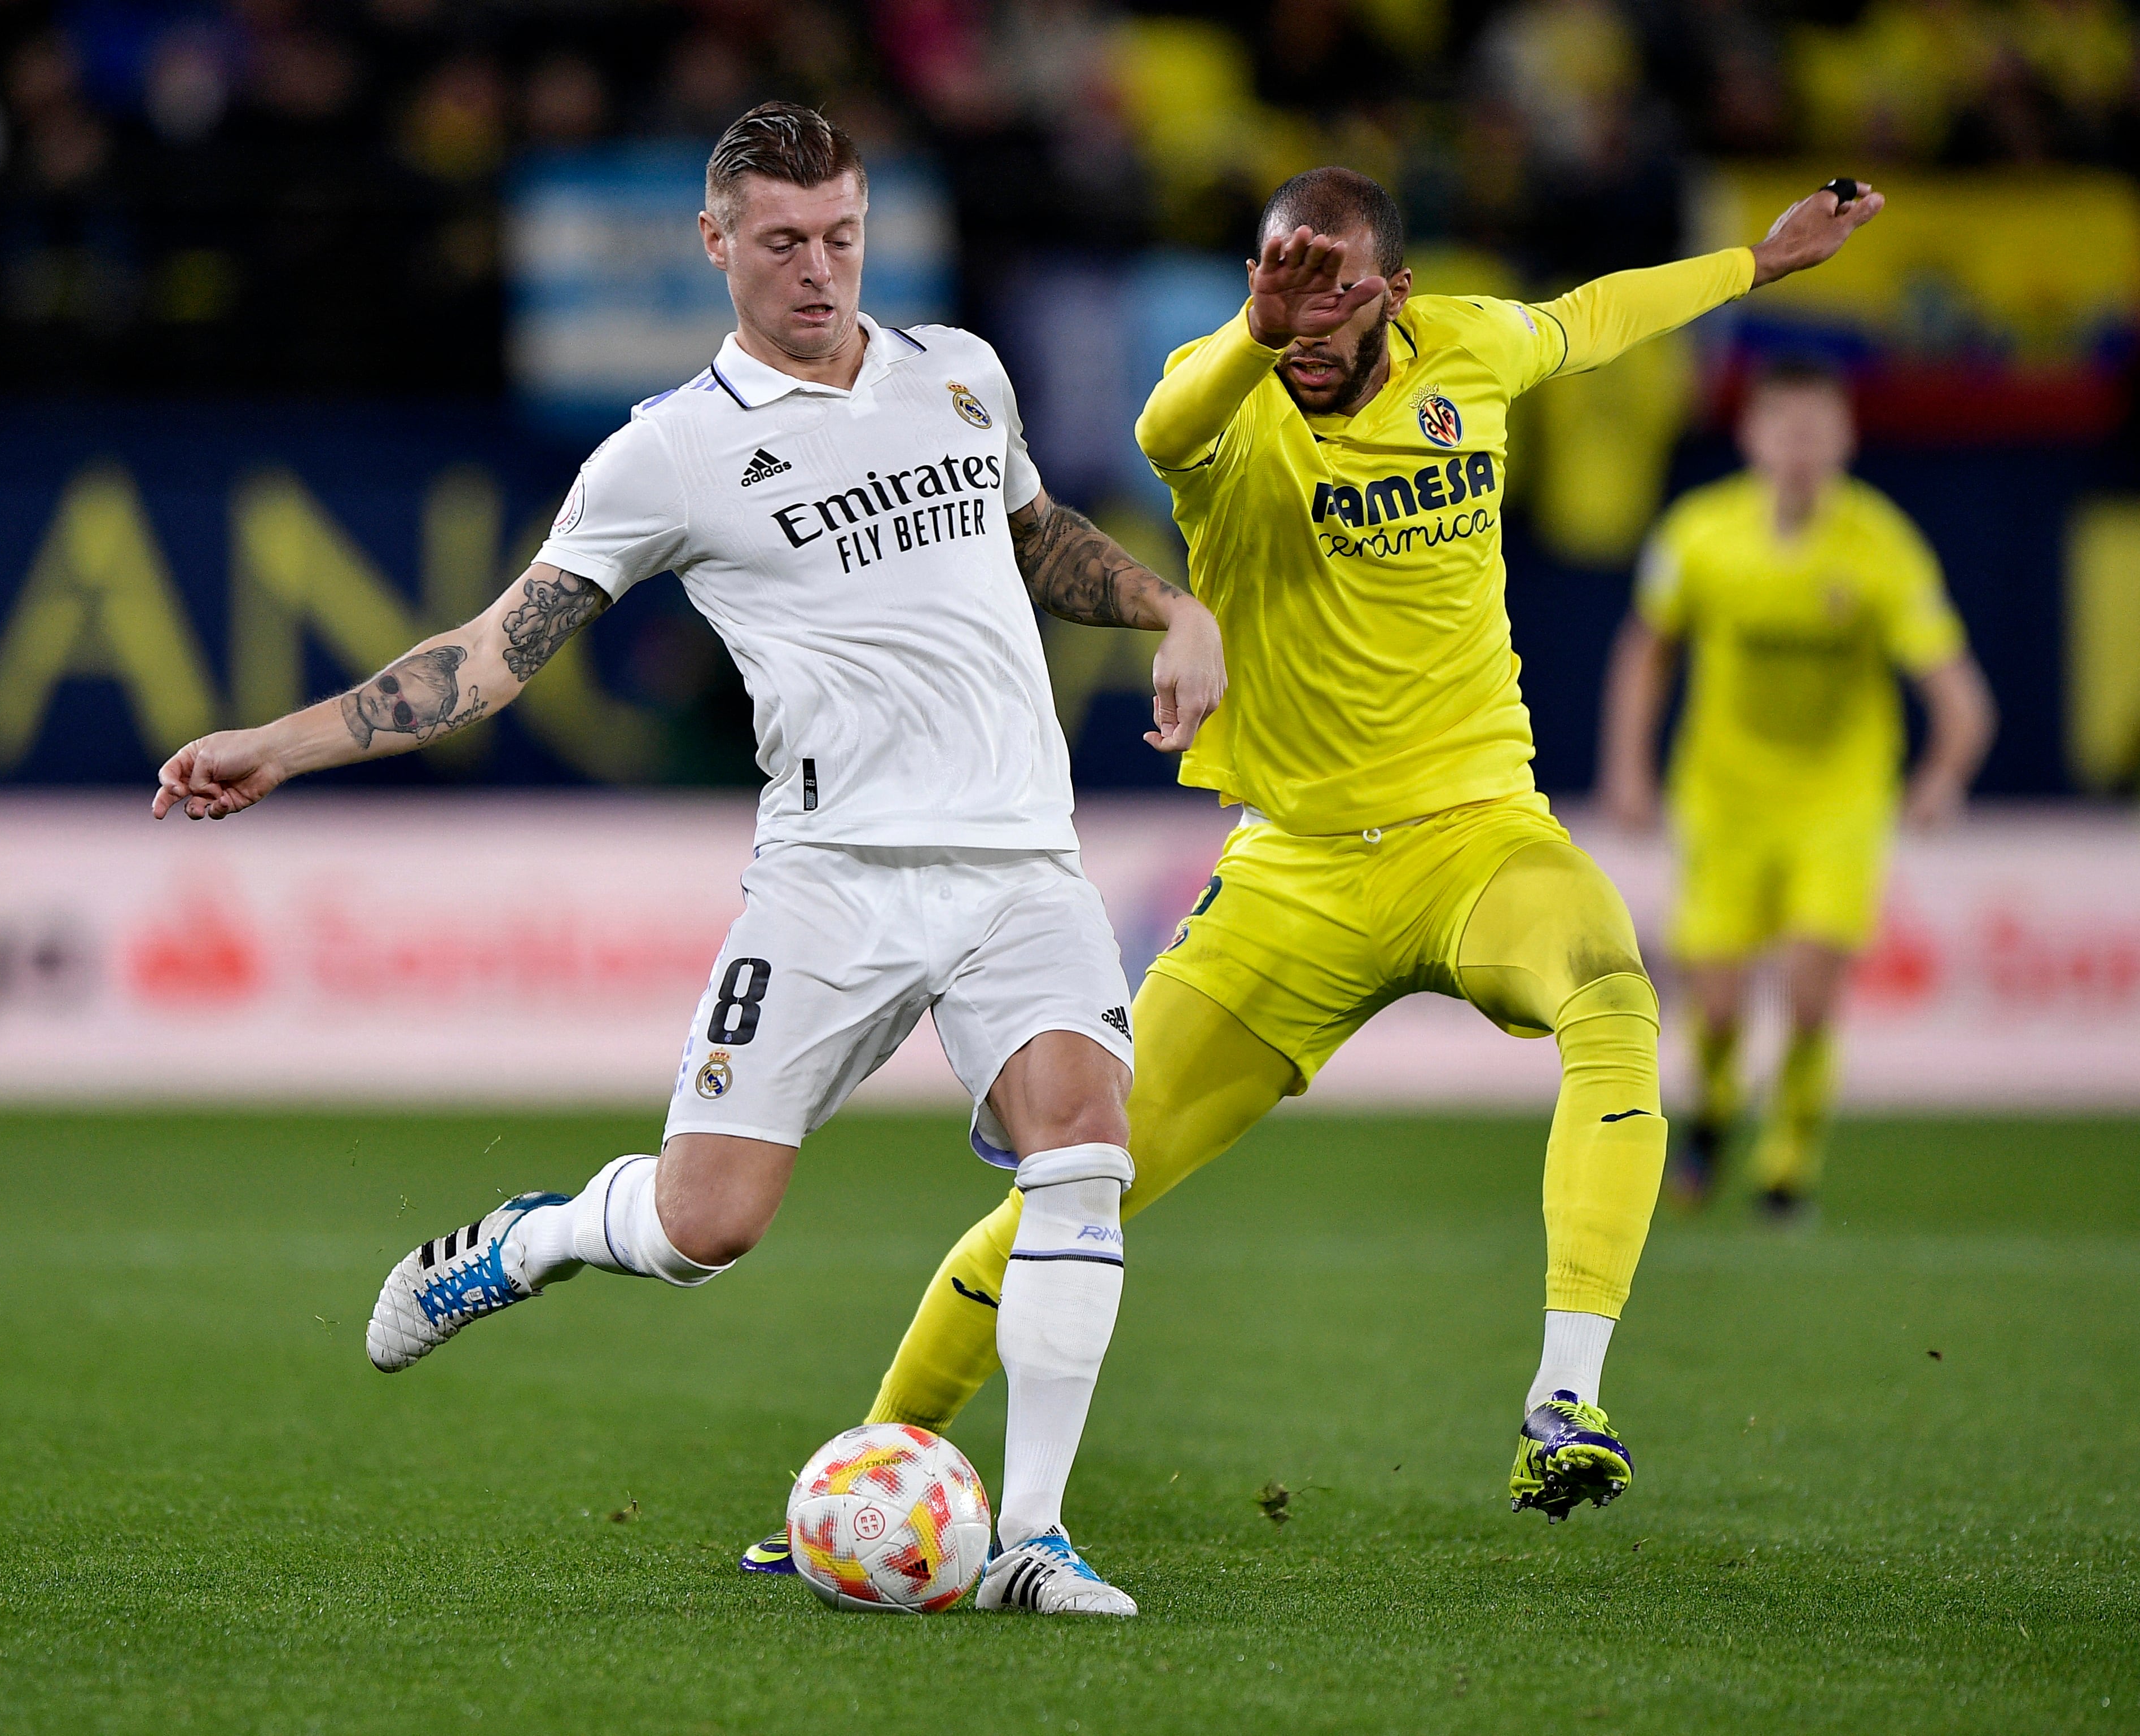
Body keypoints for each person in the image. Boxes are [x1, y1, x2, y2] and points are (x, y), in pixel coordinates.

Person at [149, 101, 1227, 1619]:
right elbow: (491, 655)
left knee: (1083, 1150)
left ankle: (1033, 1539)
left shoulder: (960, 373)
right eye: (781, 241)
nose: (818, 269)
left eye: (841, 236)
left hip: (1019, 864)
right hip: (833, 877)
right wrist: (284, 741)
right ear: (714, 241)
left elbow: (1039, 538)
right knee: (701, 1226)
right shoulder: (669, 451)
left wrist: (1175, 608)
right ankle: (529, 1239)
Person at [739, 167, 1883, 1572]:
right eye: (1278, 283)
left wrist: (1755, 264)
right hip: (1292, 880)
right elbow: (1161, 426)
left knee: (1610, 999)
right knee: (1073, 1183)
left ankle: (1564, 1396)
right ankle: (865, 1470)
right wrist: (1256, 330)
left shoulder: (1471, 347)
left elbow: (1594, 317)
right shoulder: (1228, 398)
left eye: (1331, 291)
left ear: (1394, 293)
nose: (1305, 321)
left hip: (1479, 837)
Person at [1598, 355, 1995, 1219]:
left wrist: (1942, 775)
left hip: (1837, 795)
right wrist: (1627, 766)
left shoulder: (1881, 546)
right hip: (1723, 793)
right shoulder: (1698, 535)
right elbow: (1646, 649)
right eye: (1784, 426)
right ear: (1752, 435)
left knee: (1811, 991)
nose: (1800, 447)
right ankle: (1711, 1112)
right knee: (1718, 1005)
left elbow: (1960, 695)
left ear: (1845, 438)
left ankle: (1786, 1165)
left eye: (1818, 429)